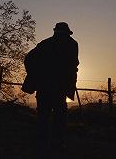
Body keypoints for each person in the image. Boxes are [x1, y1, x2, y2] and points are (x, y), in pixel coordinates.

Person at [22, 22, 79, 156]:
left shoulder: (44, 44)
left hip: (44, 87)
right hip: (59, 88)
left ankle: (43, 143)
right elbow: (73, 64)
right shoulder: (72, 44)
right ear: (67, 33)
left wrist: (35, 75)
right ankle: (57, 144)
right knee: (59, 117)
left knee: (44, 116)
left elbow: (29, 59)